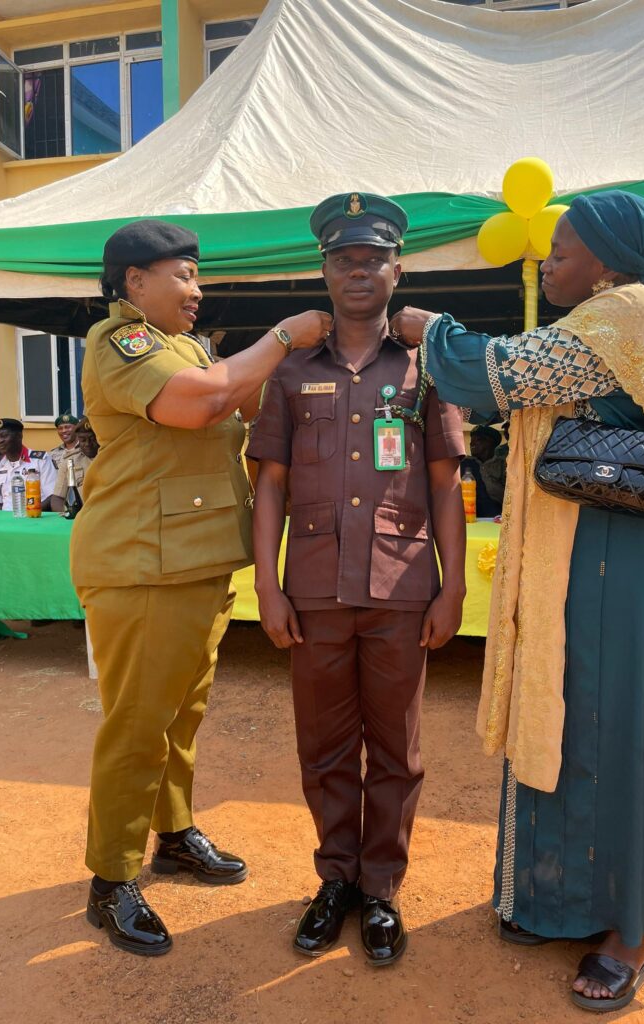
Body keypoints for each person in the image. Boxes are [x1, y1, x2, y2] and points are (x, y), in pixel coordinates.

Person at [390, 192, 644, 1010]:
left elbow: (490, 374)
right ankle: (557, 901)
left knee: (613, 734)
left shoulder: (630, 311)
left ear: (608, 260)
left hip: (615, 558)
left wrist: (426, 327)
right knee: (563, 721)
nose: (548, 260)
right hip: (569, 559)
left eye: (564, 247)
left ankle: (632, 931)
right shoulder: (597, 321)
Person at [71, 219, 332, 957]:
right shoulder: (119, 345)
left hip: (194, 561)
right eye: (182, 275)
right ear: (134, 281)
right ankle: (110, 879)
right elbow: (202, 403)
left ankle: (173, 834)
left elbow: (243, 400)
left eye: (197, 276)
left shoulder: (187, 346)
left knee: (179, 716)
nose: (196, 290)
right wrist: (282, 336)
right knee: (137, 723)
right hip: (141, 564)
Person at [248, 193, 466, 966]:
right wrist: (268, 587)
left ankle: (381, 891)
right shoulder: (289, 370)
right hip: (311, 591)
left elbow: (444, 482)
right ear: (325, 271)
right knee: (325, 745)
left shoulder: (425, 367)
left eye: (374, 258)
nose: (360, 271)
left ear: (397, 268)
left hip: (401, 587)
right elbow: (268, 481)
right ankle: (334, 880)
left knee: (397, 750)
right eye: (345, 259)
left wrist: (453, 585)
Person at [0, 417, 57, 511]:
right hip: (7, 520)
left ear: (19, 436)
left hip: (35, 517)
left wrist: (30, 513)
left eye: (4, 436)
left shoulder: (40, 460)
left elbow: (52, 496)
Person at [50, 418, 100, 513]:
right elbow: (57, 498)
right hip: (79, 517)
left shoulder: (112, 459)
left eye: (92, 439)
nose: (87, 444)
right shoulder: (70, 461)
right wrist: (69, 513)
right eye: (83, 440)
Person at [460, 424, 505, 517]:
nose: (472, 444)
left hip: (496, 513)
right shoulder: (465, 463)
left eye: (478, 440)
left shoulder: (502, 465)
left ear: (491, 442)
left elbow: (510, 494)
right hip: (468, 511)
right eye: (471, 441)